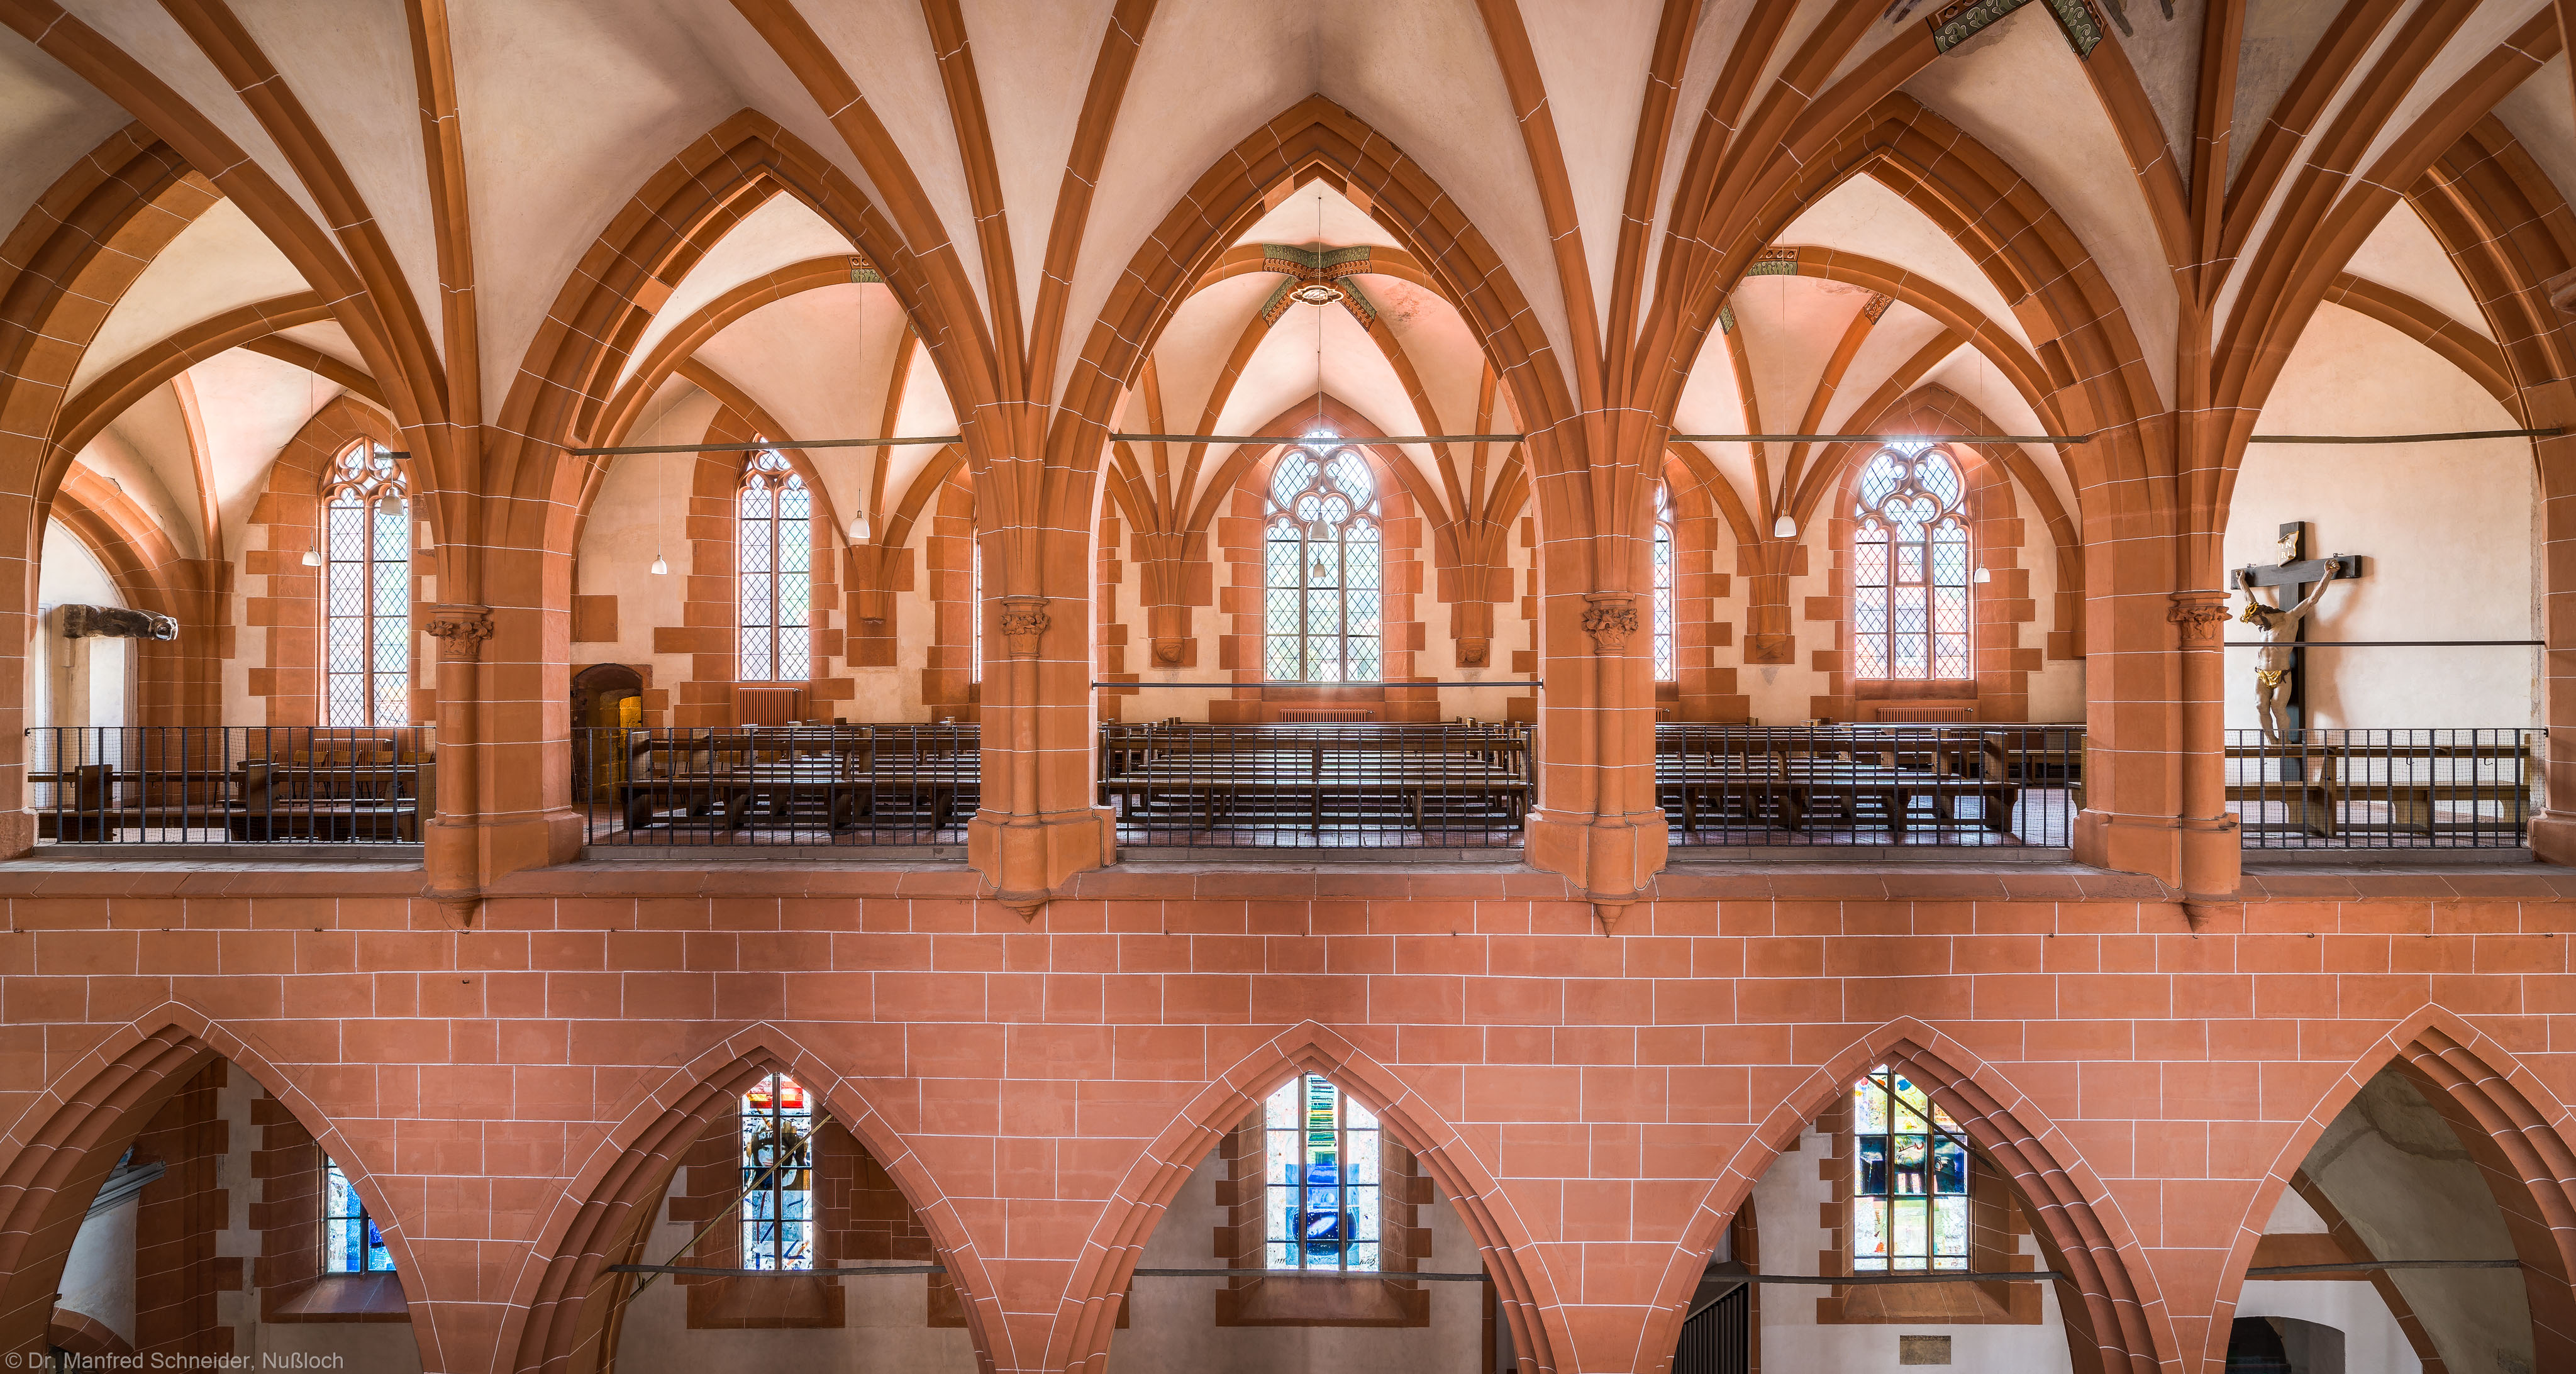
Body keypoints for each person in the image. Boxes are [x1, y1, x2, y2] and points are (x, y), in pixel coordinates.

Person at [2236, 561, 2341, 745]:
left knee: (2278, 708)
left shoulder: (2289, 618)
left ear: (2262, 615)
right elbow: (2248, 598)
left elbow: (2312, 600)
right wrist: (2242, 581)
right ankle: (2272, 741)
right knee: (2260, 706)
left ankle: (2284, 741)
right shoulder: (2263, 625)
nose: (2257, 626)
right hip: (2261, 673)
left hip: (2281, 674)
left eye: (2255, 622)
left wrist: (2328, 574)